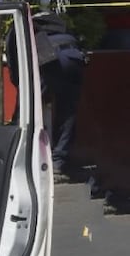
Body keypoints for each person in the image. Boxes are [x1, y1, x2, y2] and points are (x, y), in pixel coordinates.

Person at [9, 12, 86, 179]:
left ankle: (18, 155)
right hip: (75, 58)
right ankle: (59, 162)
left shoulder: (17, 28)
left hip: (50, 59)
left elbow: (16, 67)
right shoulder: (57, 23)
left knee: (27, 106)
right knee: (68, 110)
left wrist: (21, 91)